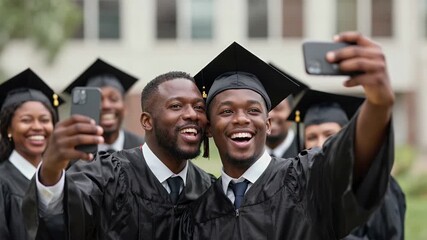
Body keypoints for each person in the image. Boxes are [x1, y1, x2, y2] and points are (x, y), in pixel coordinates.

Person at [182, 32, 395, 239]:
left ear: (268, 124)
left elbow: (348, 154)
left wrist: (378, 103)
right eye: (226, 111)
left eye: (253, 110)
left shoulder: (306, 181)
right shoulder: (197, 215)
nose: (241, 119)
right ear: (208, 128)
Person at [22, 71, 215, 239]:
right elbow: (64, 220)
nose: (192, 114)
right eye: (176, 106)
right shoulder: (106, 175)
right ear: (147, 121)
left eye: (199, 107)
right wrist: (51, 169)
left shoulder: (209, 190)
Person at [289, 89, 406, 240]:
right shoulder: (298, 187)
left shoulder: (378, 187)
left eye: (329, 135)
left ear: (346, 138)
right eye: (312, 137)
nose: (319, 144)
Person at [0, 69, 64, 239]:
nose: (37, 127)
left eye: (44, 120)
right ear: (8, 128)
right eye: (26, 120)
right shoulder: (2, 182)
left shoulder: (64, 179)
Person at [63, 58, 144, 152]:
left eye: (113, 99)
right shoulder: (73, 152)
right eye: (98, 100)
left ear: (125, 107)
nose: (106, 105)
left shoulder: (142, 149)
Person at [266, 63, 309, 158]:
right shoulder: (245, 156)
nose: (270, 115)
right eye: (264, 110)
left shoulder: (307, 153)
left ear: (292, 112)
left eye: (278, 109)